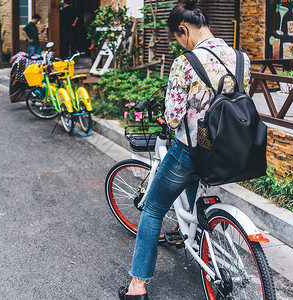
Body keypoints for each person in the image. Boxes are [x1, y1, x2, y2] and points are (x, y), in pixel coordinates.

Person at [117, 0, 251, 299]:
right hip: (229, 149)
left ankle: (137, 286)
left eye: (178, 37)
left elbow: (174, 116)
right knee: (192, 182)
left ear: (183, 30)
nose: (180, 44)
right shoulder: (241, 58)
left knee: (152, 210)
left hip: (192, 148)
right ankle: (191, 232)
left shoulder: (185, 63)